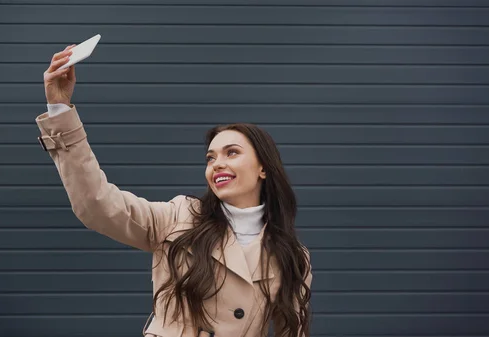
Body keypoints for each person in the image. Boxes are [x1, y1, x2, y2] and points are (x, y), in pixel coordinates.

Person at [36, 44, 313, 337]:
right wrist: (59, 109)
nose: (217, 164)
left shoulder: (293, 257)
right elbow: (98, 204)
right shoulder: (179, 217)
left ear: (263, 168)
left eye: (232, 153)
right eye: (210, 157)